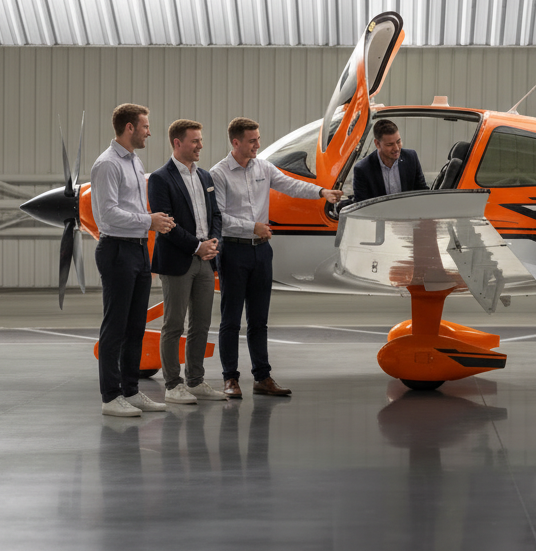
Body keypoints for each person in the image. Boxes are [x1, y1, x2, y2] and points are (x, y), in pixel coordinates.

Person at [211, 117, 342, 399]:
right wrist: (251, 227)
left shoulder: (264, 167)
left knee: (259, 320)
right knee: (231, 320)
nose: (258, 144)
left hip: (261, 251)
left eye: (258, 138)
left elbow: (292, 186)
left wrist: (322, 193)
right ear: (236, 142)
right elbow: (218, 219)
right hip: (233, 251)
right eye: (252, 140)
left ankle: (262, 377)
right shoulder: (219, 173)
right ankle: (230, 379)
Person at [90, 103, 175, 417]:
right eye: (145, 126)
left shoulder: (135, 162)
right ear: (129, 128)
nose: (149, 132)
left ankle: (131, 391)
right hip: (117, 250)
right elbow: (107, 215)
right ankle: (111, 398)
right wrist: (148, 221)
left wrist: (148, 225)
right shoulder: (107, 165)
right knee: (116, 326)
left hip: (138, 249)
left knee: (135, 326)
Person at [148, 119, 226, 405]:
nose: (200, 146)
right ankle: (172, 385)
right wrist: (197, 246)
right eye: (195, 141)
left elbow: (215, 215)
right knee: (173, 325)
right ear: (177, 143)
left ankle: (195, 381)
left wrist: (213, 243)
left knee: (201, 324)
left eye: (201, 140)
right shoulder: (160, 178)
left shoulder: (205, 177)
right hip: (178, 260)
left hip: (206, 260)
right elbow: (165, 223)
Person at [351, 119, 429, 202]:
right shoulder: (362, 169)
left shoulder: (411, 157)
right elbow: (362, 205)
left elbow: (422, 192)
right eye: (390, 144)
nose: (396, 148)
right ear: (377, 144)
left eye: (398, 142)